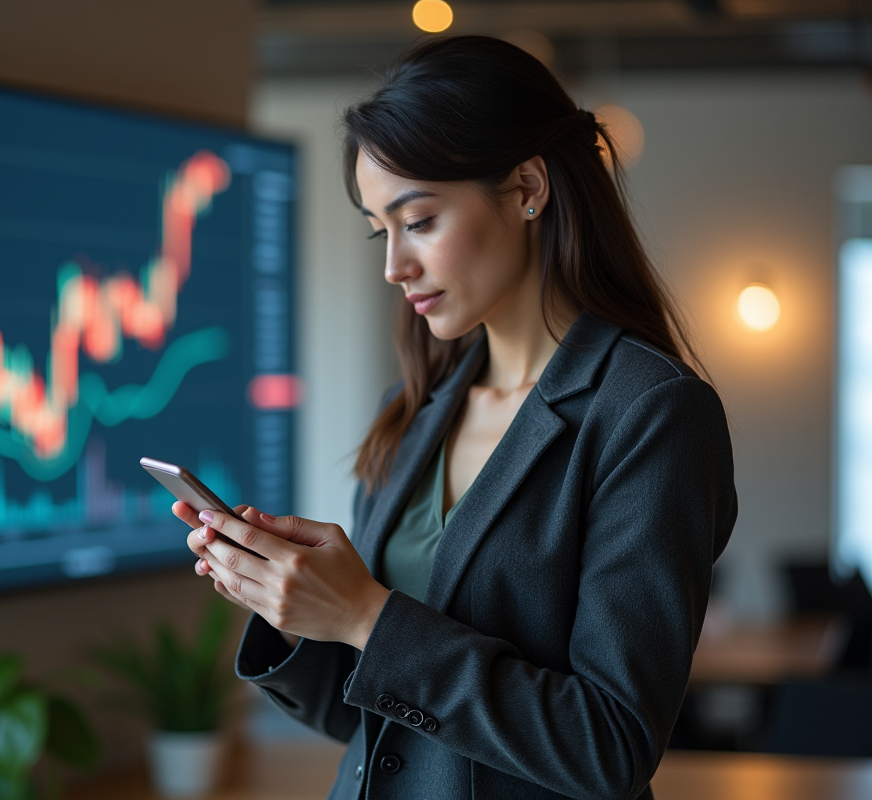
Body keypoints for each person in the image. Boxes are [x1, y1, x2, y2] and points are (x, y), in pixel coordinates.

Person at [175, 35, 736, 800]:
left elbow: (611, 747)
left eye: (420, 221)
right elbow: (389, 727)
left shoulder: (650, 413)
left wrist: (370, 617)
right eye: (381, 231)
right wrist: (299, 607)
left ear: (529, 187)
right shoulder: (413, 414)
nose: (392, 266)